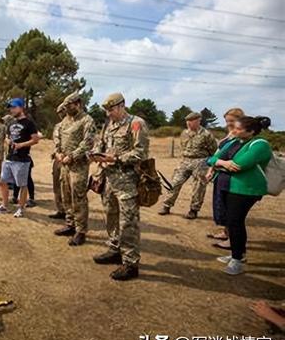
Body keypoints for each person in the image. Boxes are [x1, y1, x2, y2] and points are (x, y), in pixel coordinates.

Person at [89, 92, 149, 281]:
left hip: (128, 182)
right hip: (109, 180)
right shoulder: (109, 125)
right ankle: (115, 249)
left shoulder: (136, 123)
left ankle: (131, 264)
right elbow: (102, 144)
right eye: (107, 110)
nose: (109, 114)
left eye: (112, 109)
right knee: (111, 217)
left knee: (128, 223)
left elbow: (141, 153)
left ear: (122, 106)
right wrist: (96, 154)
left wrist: (115, 159)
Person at [206, 116, 272, 275]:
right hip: (229, 187)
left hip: (246, 190)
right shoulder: (234, 142)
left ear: (251, 131)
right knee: (232, 221)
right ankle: (238, 254)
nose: (233, 131)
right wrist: (223, 163)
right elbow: (211, 159)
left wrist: (221, 163)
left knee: (235, 222)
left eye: (237, 128)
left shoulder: (260, 145)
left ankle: (237, 260)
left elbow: (240, 165)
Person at [53, 92, 96, 246]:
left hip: (78, 166)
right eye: (65, 106)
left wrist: (72, 156)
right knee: (66, 195)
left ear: (78, 104)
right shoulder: (65, 120)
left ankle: (81, 231)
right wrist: (57, 152)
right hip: (64, 164)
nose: (67, 109)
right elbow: (59, 137)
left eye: (69, 106)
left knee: (78, 197)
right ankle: (70, 225)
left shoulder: (87, 120)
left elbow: (88, 142)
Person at [158, 112, 217, 219]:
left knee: (198, 187)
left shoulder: (206, 134)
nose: (188, 124)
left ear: (198, 121)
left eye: (191, 121)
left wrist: (208, 165)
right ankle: (166, 206)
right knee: (175, 183)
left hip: (200, 162)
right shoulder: (184, 133)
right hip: (185, 161)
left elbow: (213, 150)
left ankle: (194, 210)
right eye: (187, 121)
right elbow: (183, 147)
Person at [0, 98, 40, 218]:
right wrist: (8, 141)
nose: (11, 110)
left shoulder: (29, 123)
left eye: (14, 107)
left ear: (21, 107)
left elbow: (35, 140)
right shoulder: (11, 123)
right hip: (9, 157)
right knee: (3, 181)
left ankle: (21, 208)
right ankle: (4, 205)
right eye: (10, 108)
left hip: (22, 159)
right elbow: (8, 137)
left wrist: (21, 145)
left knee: (22, 184)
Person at [208, 107, 245, 245]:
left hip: (232, 177)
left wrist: (217, 163)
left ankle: (232, 240)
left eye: (231, 120)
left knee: (230, 209)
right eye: (227, 121)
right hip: (221, 174)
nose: (228, 123)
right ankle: (225, 233)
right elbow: (217, 154)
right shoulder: (229, 134)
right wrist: (211, 169)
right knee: (221, 205)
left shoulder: (243, 136)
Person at [48, 104, 67, 220]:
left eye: (63, 112)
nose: (61, 115)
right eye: (59, 113)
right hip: (57, 159)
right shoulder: (57, 126)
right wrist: (56, 153)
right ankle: (60, 210)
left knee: (67, 188)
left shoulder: (76, 125)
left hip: (69, 160)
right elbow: (55, 142)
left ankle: (70, 213)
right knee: (56, 186)